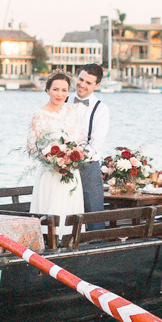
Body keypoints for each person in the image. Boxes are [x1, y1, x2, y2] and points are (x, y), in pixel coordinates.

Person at [25, 72, 86, 218]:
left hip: (71, 173)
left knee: (70, 212)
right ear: (48, 90)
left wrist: (74, 156)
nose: (59, 94)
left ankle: (70, 240)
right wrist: (52, 161)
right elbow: (31, 148)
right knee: (51, 212)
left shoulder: (72, 111)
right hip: (50, 173)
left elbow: (80, 140)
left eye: (64, 90)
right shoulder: (39, 115)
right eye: (55, 89)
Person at [67, 62, 111, 216]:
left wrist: (76, 158)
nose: (82, 85)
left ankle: (98, 240)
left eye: (88, 82)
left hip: (88, 166)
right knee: (65, 210)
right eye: (81, 79)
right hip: (62, 165)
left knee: (93, 214)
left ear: (96, 85)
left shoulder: (101, 109)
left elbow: (96, 144)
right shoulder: (63, 100)